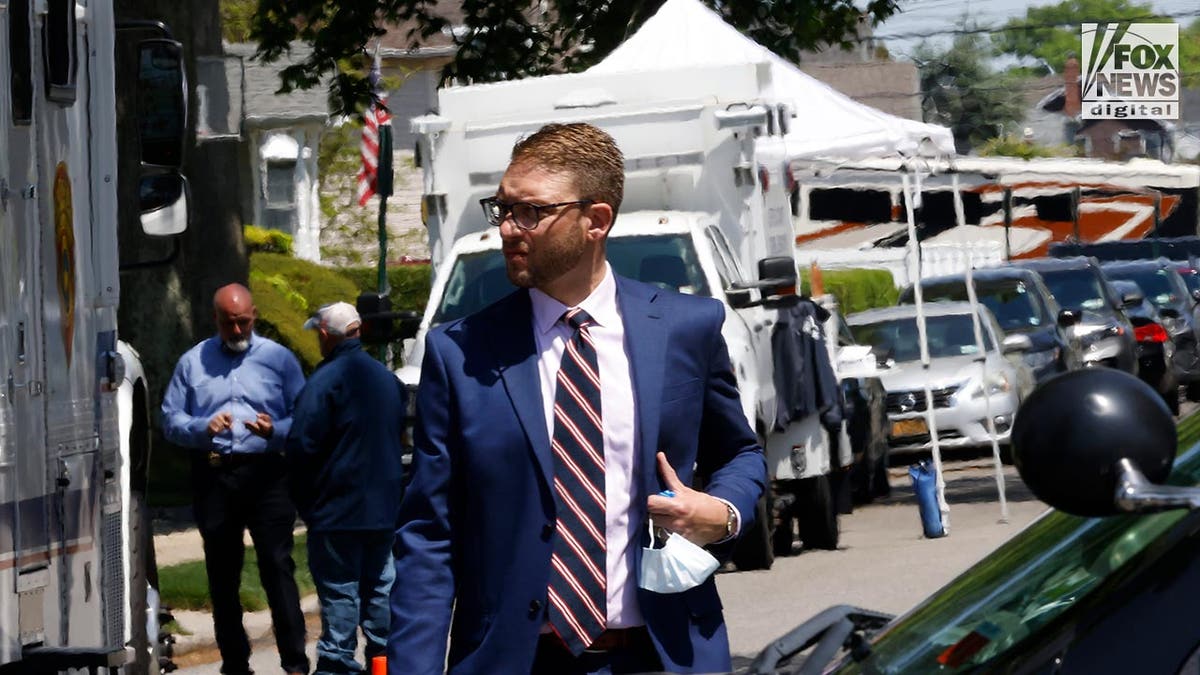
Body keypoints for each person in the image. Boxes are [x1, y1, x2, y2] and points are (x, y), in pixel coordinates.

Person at [388, 122, 766, 674]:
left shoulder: (687, 328)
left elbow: (740, 453)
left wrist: (725, 511)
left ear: (596, 220)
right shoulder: (460, 353)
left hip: (661, 654)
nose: (509, 229)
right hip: (519, 660)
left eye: (531, 213)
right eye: (502, 210)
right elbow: (429, 533)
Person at [161, 283, 309, 675]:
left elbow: (306, 418)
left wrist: (274, 430)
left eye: (243, 322)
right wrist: (201, 426)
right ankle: (235, 663)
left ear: (254, 315)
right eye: (230, 324)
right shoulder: (193, 363)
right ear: (216, 320)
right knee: (222, 573)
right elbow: (170, 420)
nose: (238, 331)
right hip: (215, 474)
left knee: (276, 567)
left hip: (267, 474)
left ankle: (295, 662)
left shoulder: (279, 360)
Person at [286, 302, 408, 675]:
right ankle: (383, 665)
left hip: (337, 512)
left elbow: (300, 446)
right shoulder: (388, 380)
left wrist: (306, 503)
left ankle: (337, 666)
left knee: (341, 594)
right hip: (383, 509)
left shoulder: (324, 381)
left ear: (326, 335)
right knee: (379, 592)